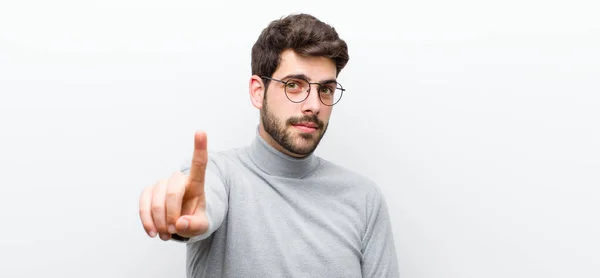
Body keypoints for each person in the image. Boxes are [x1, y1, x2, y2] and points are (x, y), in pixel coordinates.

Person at [139, 13, 399, 277]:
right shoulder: (220, 176)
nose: (314, 105)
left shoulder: (364, 199)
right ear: (257, 91)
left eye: (326, 89)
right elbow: (205, 202)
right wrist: (188, 214)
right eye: (294, 85)